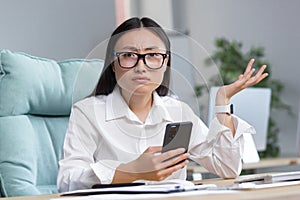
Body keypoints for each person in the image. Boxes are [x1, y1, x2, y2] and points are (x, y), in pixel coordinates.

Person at [57, 17, 268, 192]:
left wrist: (222, 103)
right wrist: (131, 171)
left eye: (152, 55)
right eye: (129, 56)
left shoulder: (178, 111)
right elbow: (67, 181)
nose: (141, 66)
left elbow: (227, 168)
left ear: (165, 62)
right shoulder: (87, 112)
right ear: (113, 64)